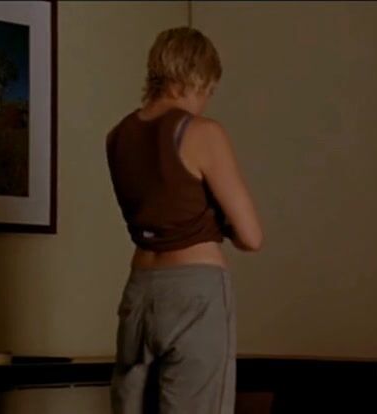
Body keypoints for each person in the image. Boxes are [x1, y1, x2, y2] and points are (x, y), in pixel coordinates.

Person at [105, 26, 264, 414]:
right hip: (195, 290)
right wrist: (218, 218)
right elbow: (251, 236)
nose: (206, 102)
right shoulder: (202, 132)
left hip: (140, 292)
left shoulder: (118, 136)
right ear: (197, 79)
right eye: (208, 91)